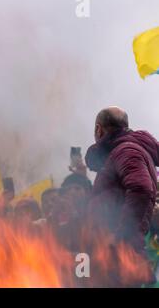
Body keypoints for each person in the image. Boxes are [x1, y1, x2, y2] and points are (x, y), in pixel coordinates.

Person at [85, 106, 158, 285]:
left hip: (119, 255)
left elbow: (141, 189)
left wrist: (121, 235)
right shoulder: (121, 152)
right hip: (111, 251)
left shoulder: (126, 151)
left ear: (98, 129)